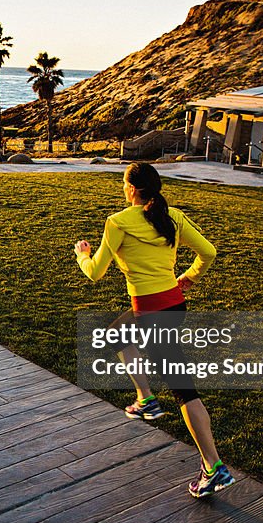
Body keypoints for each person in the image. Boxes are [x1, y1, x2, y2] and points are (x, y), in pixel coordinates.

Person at [74, 162, 234, 498]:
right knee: (116, 334)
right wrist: (188, 277)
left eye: (123, 184)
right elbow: (208, 252)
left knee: (184, 392)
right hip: (171, 305)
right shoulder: (172, 215)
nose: (122, 188)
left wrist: (83, 255)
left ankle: (214, 467)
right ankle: (146, 399)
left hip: (154, 314)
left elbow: (95, 273)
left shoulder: (117, 222)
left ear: (131, 189)